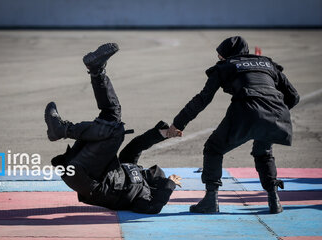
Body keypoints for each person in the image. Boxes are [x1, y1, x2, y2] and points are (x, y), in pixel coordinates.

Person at [166, 36, 299, 214]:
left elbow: (202, 99)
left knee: (213, 148)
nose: (219, 59)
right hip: (276, 113)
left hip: (246, 111)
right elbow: (294, 97)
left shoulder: (225, 66)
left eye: (220, 56)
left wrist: (178, 123)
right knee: (264, 152)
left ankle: (211, 200)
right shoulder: (269, 65)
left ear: (227, 55)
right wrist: (273, 114)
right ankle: (274, 199)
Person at [44, 43, 181, 214]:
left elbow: (153, 208)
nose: (148, 171)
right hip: (87, 167)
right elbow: (136, 146)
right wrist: (164, 134)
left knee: (115, 131)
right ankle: (96, 70)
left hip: (90, 180)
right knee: (112, 115)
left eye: (153, 174)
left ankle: (63, 130)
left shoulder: (144, 194)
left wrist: (171, 184)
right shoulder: (131, 168)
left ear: (156, 184)